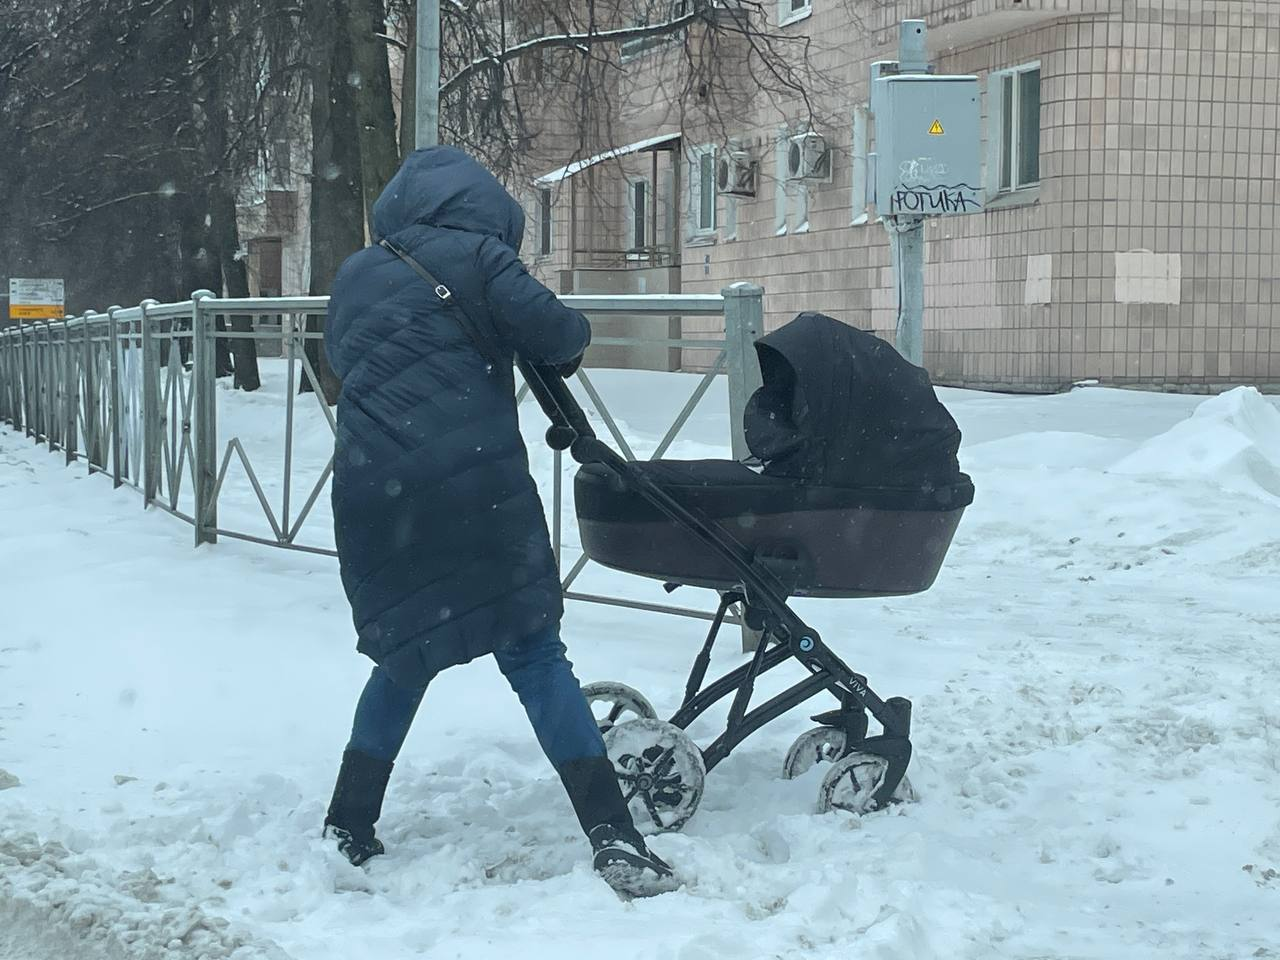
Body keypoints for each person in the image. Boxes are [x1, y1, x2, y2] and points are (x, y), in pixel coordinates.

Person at [320, 146, 676, 898]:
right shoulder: (481, 257)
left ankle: (348, 823)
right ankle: (613, 832)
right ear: (482, 206)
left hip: (374, 491)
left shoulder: (356, 273)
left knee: (405, 654)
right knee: (534, 652)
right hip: (472, 487)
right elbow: (561, 336)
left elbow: (340, 360)